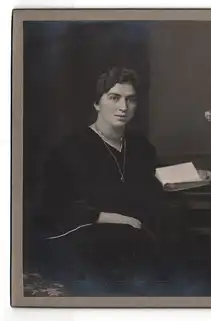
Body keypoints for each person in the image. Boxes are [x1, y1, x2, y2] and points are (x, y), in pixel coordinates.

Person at [34, 67, 171, 295]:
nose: (123, 107)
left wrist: (188, 177)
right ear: (97, 103)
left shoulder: (142, 148)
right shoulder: (70, 148)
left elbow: (149, 188)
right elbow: (52, 205)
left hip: (135, 236)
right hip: (84, 234)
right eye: (114, 98)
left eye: (131, 100)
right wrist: (111, 217)